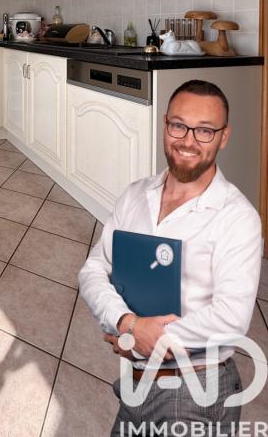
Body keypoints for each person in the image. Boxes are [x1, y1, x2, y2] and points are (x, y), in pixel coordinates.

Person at [78, 79, 262, 435]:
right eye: (179, 125)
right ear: (165, 125)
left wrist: (141, 340)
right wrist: (127, 324)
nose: (188, 141)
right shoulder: (135, 195)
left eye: (205, 130)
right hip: (137, 383)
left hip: (197, 392)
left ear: (224, 137)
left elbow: (231, 318)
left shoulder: (237, 217)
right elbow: (93, 270)